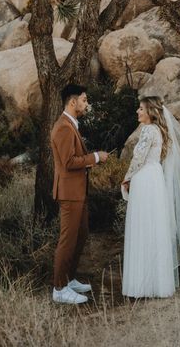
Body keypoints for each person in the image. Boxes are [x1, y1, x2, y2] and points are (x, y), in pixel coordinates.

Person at [121, 95, 180, 298]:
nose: (138, 112)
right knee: (154, 229)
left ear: (151, 112)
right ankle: (157, 283)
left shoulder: (148, 130)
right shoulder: (160, 132)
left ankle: (141, 285)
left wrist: (126, 179)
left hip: (144, 178)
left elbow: (138, 158)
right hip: (156, 179)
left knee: (142, 227)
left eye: (141, 109)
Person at [51, 83, 109, 304]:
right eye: (84, 100)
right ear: (72, 102)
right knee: (67, 241)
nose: (87, 104)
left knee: (80, 235)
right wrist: (95, 157)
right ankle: (59, 289)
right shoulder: (64, 127)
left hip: (78, 192)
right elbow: (68, 162)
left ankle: (68, 278)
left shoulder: (71, 124)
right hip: (69, 193)